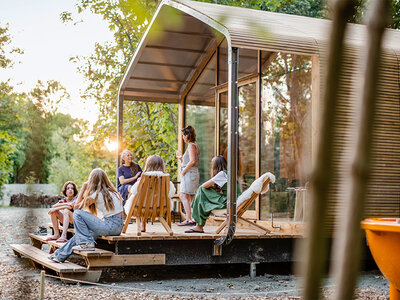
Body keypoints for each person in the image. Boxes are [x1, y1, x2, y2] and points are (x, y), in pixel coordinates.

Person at [48, 168, 124, 263]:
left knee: (78, 213)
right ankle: (59, 255)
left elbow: (76, 208)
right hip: (117, 226)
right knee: (81, 235)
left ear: (92, 180)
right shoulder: (112, 192)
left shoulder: (96, 194)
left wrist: (83, 188)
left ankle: (87, 244)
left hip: (110, 226)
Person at [185, 155, 240, 233]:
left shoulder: (222, 174)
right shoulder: (229, 173)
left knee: (202, 190)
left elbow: (204, 186)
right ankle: (198, 222)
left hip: (228, 201)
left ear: (215, 166)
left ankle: (198, 224)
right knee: (203, 194)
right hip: (233, 199)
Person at [124, 155, 176, 232]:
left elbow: (133, 190)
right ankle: (145, 225)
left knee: (137, 197)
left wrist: (138, 182)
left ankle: (142, 224)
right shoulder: (166, 179)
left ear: (148, 165)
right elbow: (171, 193)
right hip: (161, 208)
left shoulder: (143, 179)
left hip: (140, 208)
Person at [177, 125, 200, 226]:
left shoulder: (191, 146)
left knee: (182, 195)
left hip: (189, 174)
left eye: (183, 135)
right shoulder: (196, 146)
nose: (182, 137)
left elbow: (193, 161)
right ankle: (193, 219)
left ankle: (188, 219)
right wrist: (183, 160)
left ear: (187, 135)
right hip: (194, 173)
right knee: (190, 197)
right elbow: (197, 162)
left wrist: (183, 171)